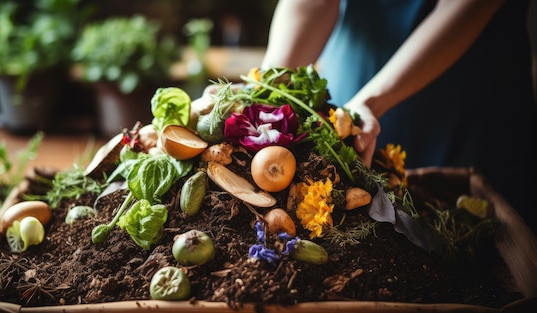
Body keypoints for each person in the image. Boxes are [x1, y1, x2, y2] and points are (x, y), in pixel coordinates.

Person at [195, 0, 537, 233]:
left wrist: (372, 101)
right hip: (351, 81)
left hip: (464, 88)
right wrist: (269, 83)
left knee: (466, 227)